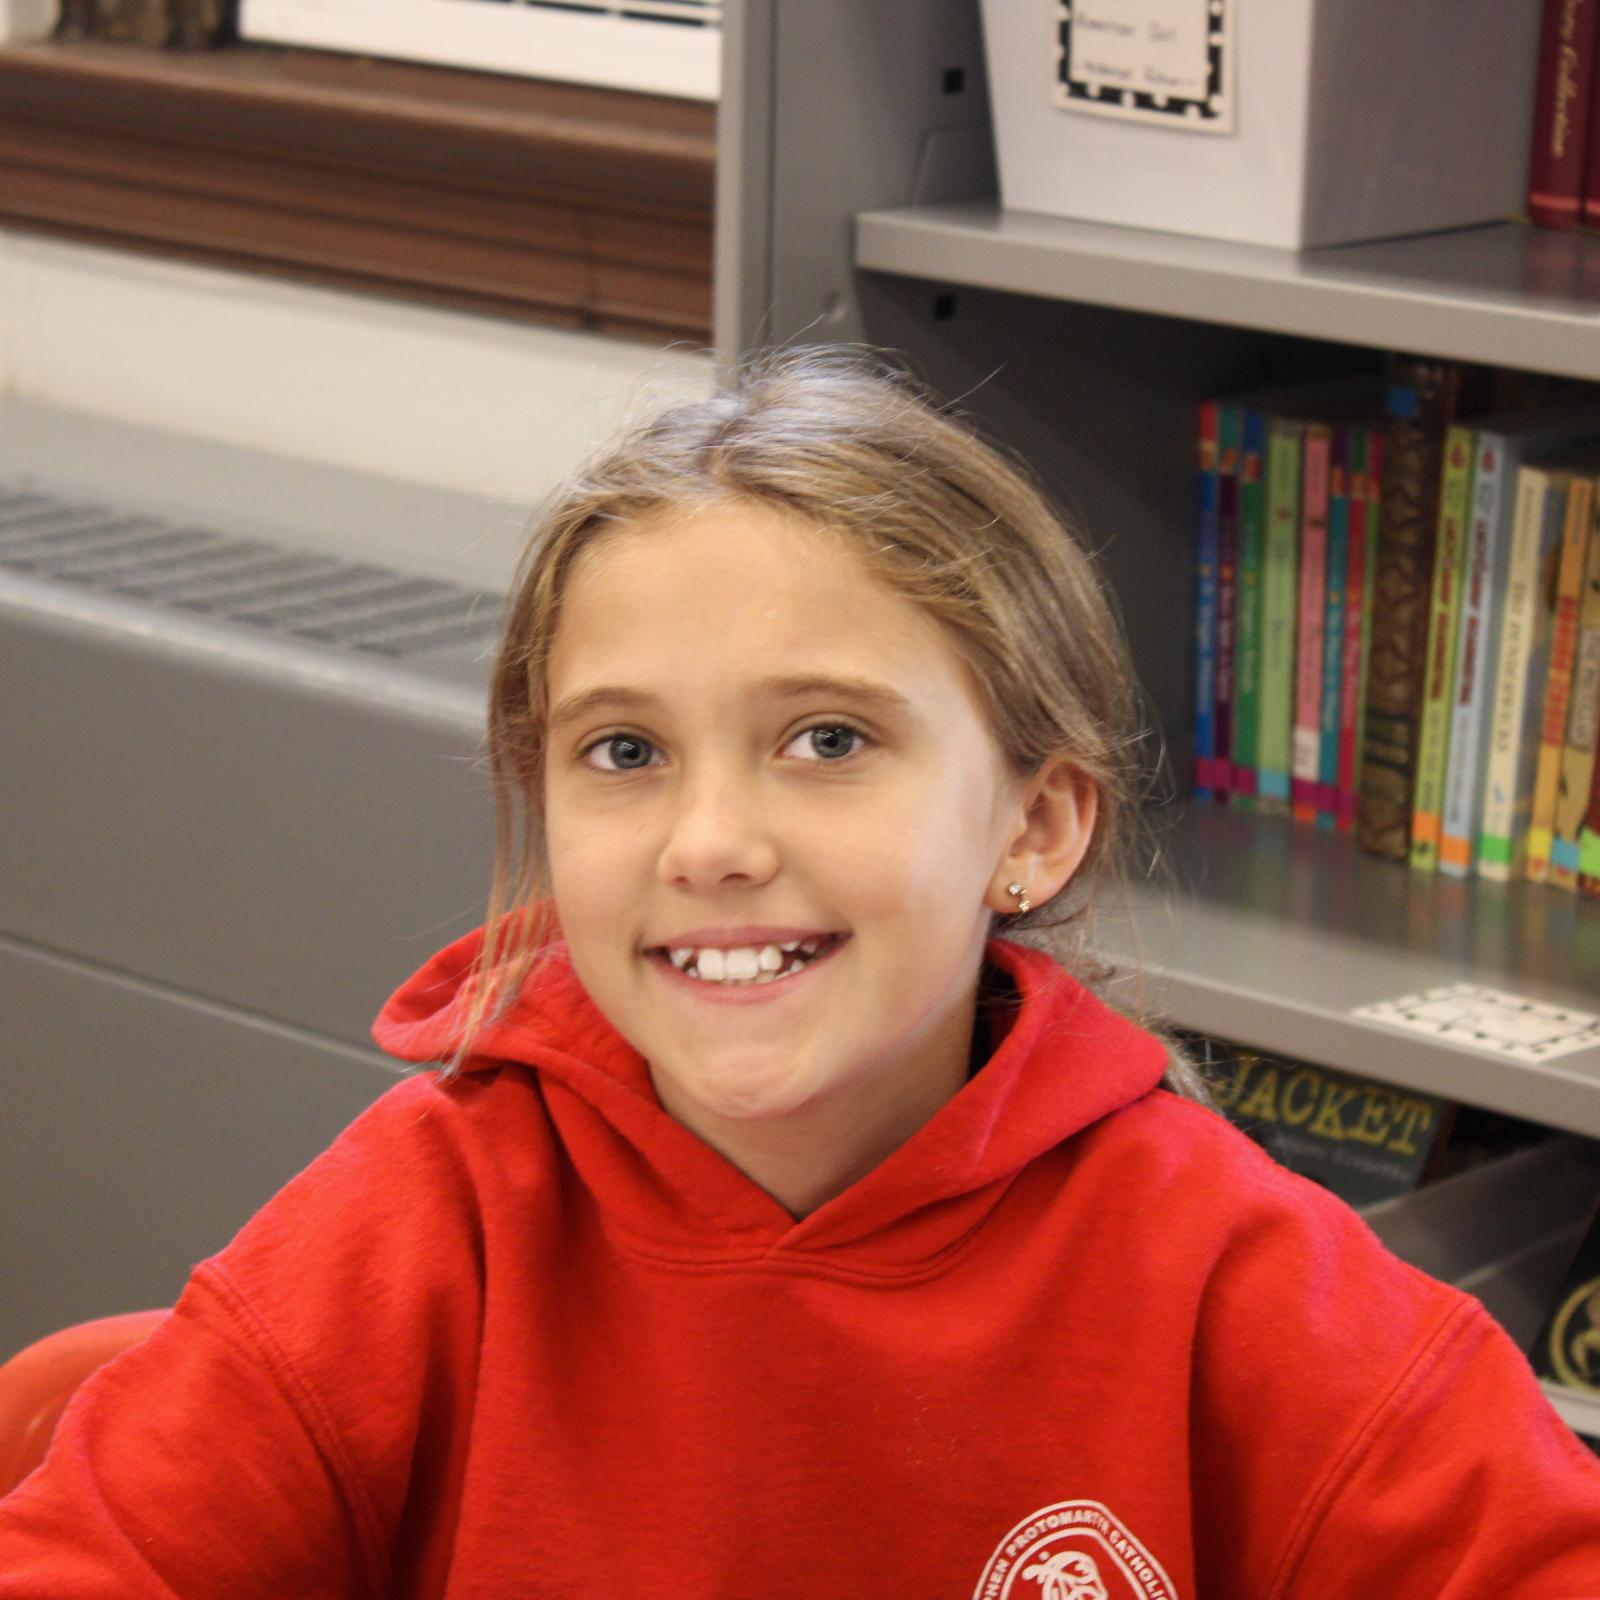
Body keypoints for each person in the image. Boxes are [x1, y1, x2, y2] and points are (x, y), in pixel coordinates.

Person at [2, 346, 1598, 1598]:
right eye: (623, 751)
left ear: (1031, 826)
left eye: (827, 740)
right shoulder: (426, 1227)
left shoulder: (1231, 1282)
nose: (710, 839)